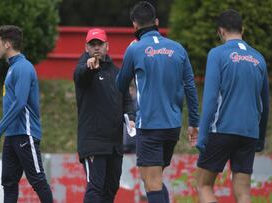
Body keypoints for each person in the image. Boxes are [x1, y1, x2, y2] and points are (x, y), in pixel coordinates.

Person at [116, 2, 200, 203]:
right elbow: (190, 87)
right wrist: (194, 123)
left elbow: (119, 85)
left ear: (134, 25)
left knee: (152, 182)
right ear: (156, 22)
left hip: (150, 126)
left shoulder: (135, 49)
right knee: (151, 178)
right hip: (172, 126)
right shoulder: (178, 48)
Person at [195, 9, 269, 203]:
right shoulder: (259, 58)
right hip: (249, 132)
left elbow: (211, 98)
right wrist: (260, 137)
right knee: (243, 191)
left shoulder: (217, 54)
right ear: (242, 29)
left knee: (203, 185)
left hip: (222, 129)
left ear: (220, 31)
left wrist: (203, 135)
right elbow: (265, 104)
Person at [0, 25, 53, 203]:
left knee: (37, 180)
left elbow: (20, 102)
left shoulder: (23, 67)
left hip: (25, 133)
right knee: (8, 182)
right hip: (12, 135)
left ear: (7, 44)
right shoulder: (12, 68)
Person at [73, 28, 135, 203]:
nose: (96, 48)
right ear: (87, 48)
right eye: (92, 45)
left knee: (111, 188)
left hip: (115, 144)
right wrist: (90, 67)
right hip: (93, 143)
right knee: (95, 188)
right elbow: (80, 76)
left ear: (107, 45)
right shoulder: (84, 68)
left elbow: (127, 100)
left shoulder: (116, 72)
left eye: (100, 44)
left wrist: (130, 117)